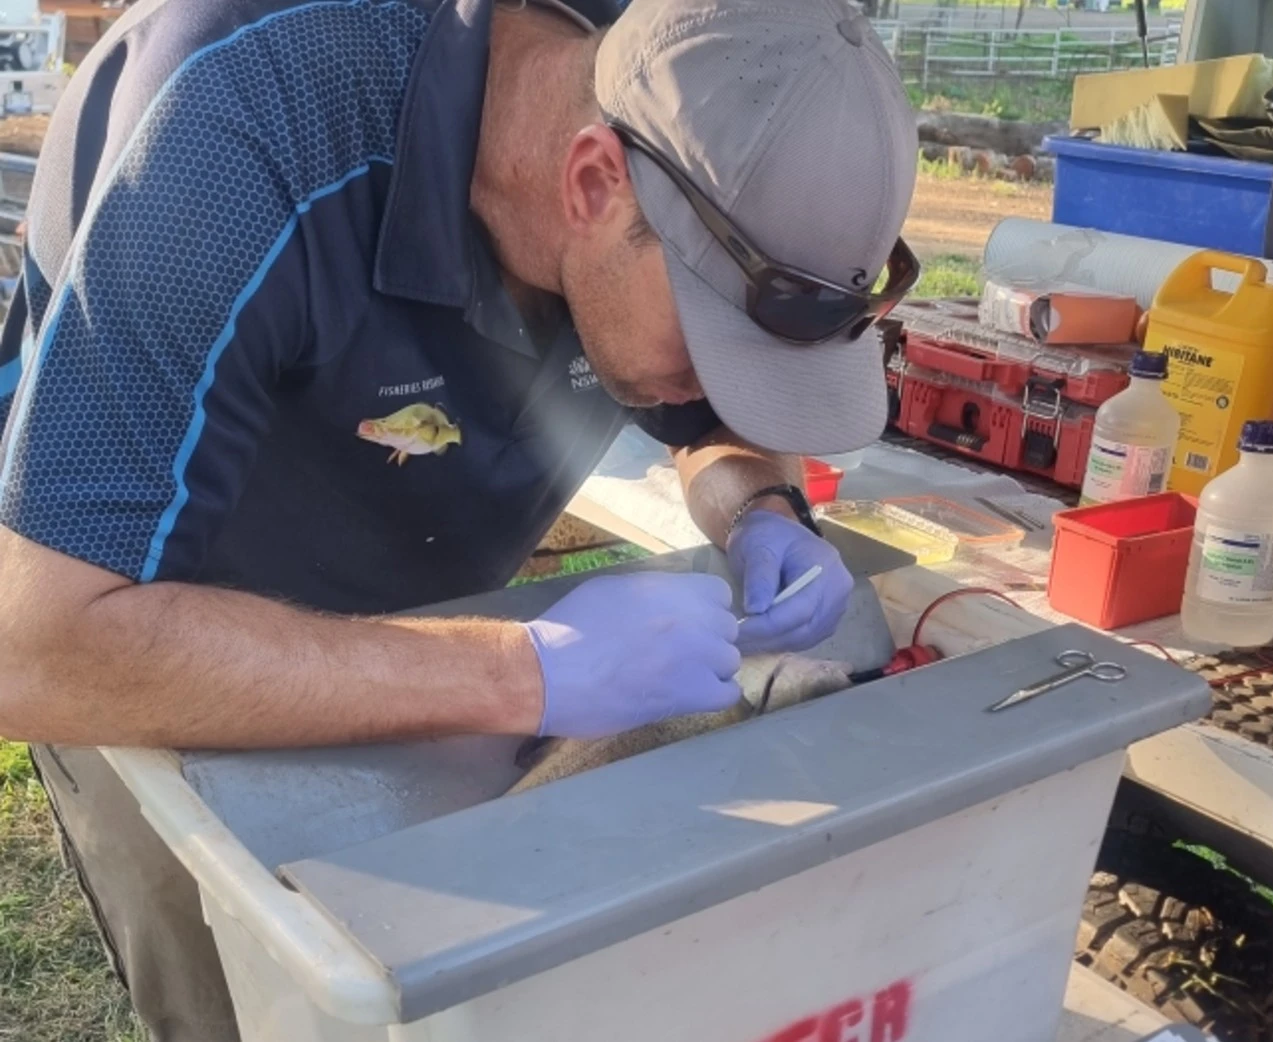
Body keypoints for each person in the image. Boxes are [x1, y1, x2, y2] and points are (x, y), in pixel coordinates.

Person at [0, 0, 918, 1036]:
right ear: (590, 180)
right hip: (135, 609)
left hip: (423, 591)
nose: (722, 385)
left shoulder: (667, 92)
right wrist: (526, 672)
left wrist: (761, 506)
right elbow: (38, 649)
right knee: (251, 984)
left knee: (439, 976)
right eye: (713, 344)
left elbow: (712, 419)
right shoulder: (234, 136)